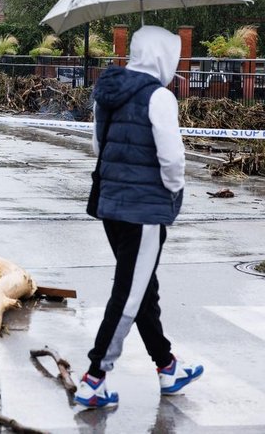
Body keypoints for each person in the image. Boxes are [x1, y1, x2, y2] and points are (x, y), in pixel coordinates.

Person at [74, 25, 204, 409]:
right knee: (129, 294)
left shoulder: (107, 93)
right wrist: (173, 190)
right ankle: (95, 377)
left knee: (143, 288)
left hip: (111, 205)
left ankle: (167, 367)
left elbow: (99, 144)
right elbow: (172, 159)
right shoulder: (159, 98)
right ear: (164, 56)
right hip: (144, 210)